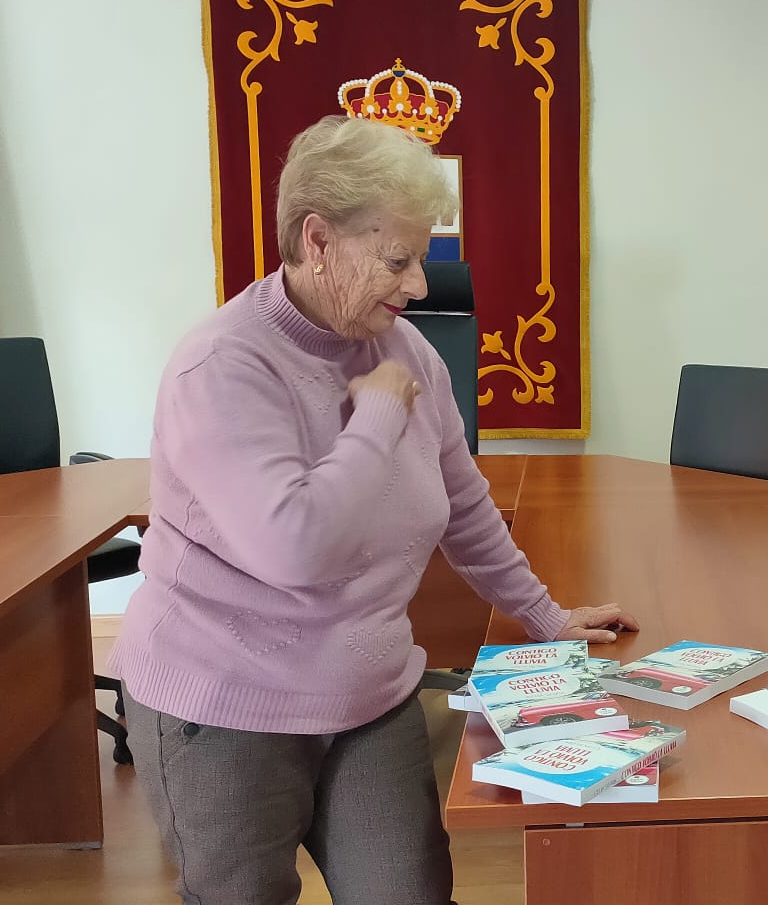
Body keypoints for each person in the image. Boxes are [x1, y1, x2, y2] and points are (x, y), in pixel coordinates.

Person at [109, 115, 635, 905]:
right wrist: (378, 417)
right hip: (221, 704)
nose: (420, 285)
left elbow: (464, 505)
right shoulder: (222, 366)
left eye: (423, 257)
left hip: (367, 691)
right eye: (399, 259)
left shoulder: (408, 350)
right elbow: (298, 549)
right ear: (318, 240)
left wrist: (547, 618)